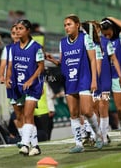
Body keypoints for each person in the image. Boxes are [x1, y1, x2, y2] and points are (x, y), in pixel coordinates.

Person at [46, 14, 103, 153]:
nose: (66, 27)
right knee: (73, 114)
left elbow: (93, 60)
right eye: (65, 25)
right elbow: (63, 62)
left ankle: (99, 135)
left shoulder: (86, 39)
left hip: (84, 79)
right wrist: (53, 60)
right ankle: (79, 144)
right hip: (69, 80)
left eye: (69, 24)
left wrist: (94, 80)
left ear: (77, 25)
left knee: (88, 111)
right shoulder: (62, 42)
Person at [82, 20, 121, 146]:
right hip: (91, 80)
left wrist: (120, 76)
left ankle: (104, 136)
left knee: (103, 106)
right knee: (93, 108)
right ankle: (96, 135)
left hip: (104, 79)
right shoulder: (85, 44)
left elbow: (114, 59)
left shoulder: (106, 43)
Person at [6, 19, 44, 156]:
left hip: (33, 85)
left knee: (28, 114)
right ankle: (35, 146)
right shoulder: (14, 48)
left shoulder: (36, 47)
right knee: (24, 117)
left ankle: (25, 143)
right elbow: (10, 66)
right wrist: (8, 78)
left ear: (28, 31)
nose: (17, 31)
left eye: (20, 28)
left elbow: (41, 66)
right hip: (18, 85)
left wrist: (31, 80)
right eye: (16, 28)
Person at [99, 17, 121, 143]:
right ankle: (104, 135)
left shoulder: (119, 40)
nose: (106, 35)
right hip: (105, 77)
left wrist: (109, 18)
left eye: (108, 32)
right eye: (104, 33)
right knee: (102, 106)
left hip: (118, 76)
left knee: (119, 107)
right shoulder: (100, 43)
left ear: (113, 29)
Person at [0, 24, 24, 141]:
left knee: (26, 113)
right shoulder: (8, 49)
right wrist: (1, 76)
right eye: (13, 33)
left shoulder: (28, 47)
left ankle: (29, 139)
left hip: (25, 84)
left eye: (18, 32)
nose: (16, 35)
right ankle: (24, 138)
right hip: (12, 84)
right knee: (18, 114)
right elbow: (3, 64)